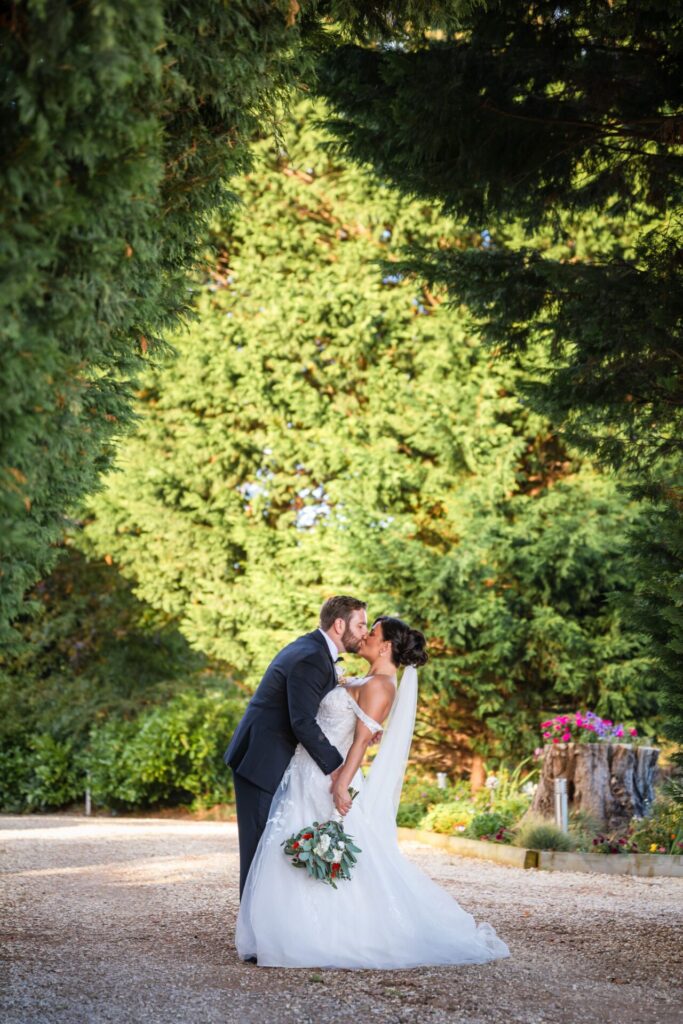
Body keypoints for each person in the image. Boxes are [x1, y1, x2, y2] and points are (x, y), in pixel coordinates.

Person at [235, 615, 510, 968]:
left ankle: (322, 933)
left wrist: (340, 783)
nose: (364, 635)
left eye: (372, 631)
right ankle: (285, 930)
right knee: (288, 845)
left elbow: (361, 744)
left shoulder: (382, 684)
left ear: (385, 646)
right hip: (307, 771)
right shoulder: (368, 679)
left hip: (329, 776)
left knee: (325, 850)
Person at [224, 595, 368, 898]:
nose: (365, 631)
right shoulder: (311, 656)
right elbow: (302, 721)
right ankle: (252, 934)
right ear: (340, 624)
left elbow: (318, 708)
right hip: (262, 761)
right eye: (361, 624)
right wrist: (336, 769)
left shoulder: (314, 650)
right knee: (259, 847)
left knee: (268, 846)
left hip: (275, 759)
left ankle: (262, 925)